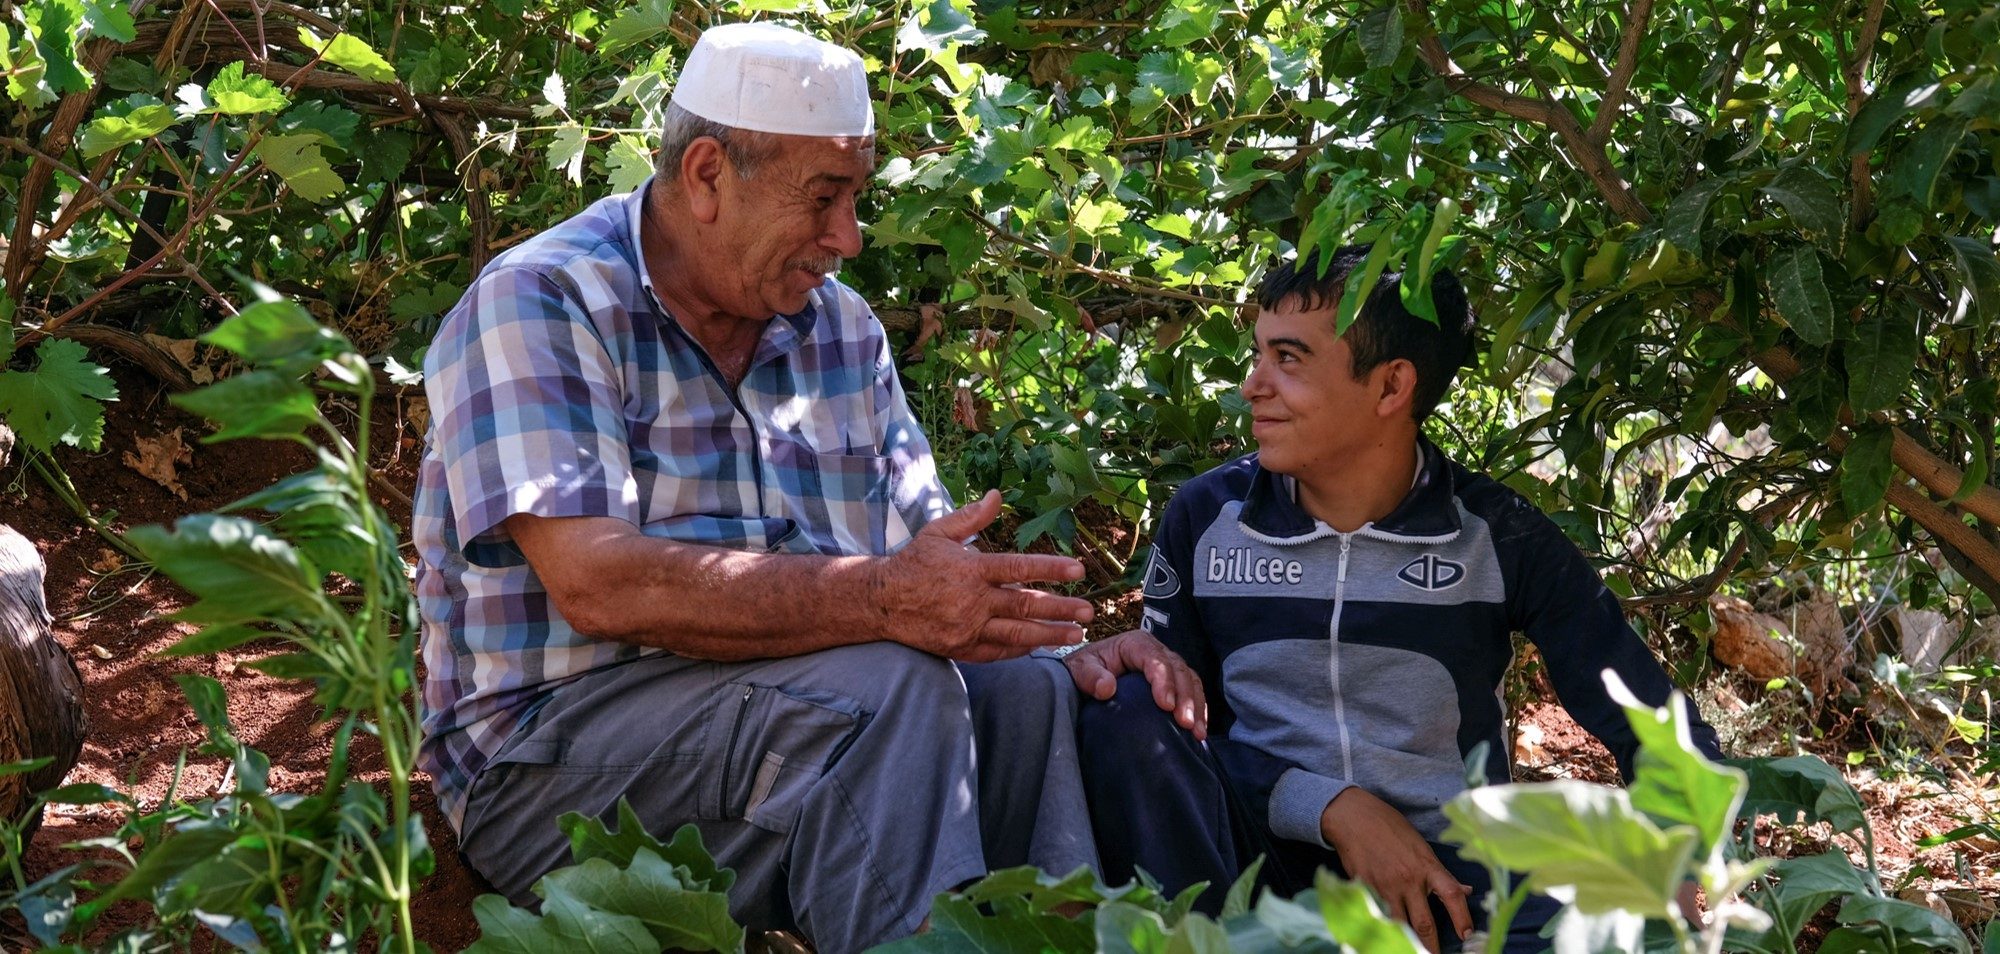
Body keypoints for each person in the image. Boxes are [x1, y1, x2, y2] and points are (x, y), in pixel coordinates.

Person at [410, 22, 1098, 954]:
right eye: (824, 199)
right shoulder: (544, 299)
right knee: (892, 687)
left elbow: (937, 569)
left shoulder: (840, 330)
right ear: (705, 175)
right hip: (549, 764)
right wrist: (884, 598)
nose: (847, 239)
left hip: (788, 715)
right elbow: (598, 584)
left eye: (854, 199)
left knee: (1027, 700)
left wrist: (1054, 646)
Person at [1061, 245, 1722, 953]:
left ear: (1390, 387)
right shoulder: (1206, 518)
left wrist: (1686, 862)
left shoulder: (1498, 535)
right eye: (1258, 355)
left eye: (1287, 359)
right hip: (1256, 863)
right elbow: (1171, 734)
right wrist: (1334, 808)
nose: (1252, 385)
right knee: (1126, 708)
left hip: (1451, 879)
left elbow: (1657, 726)